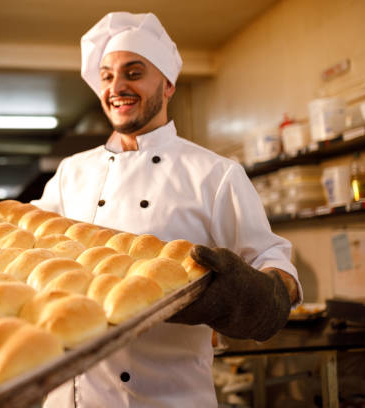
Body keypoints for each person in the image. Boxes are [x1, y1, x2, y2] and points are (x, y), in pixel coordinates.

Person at [30, 11, 302, 408]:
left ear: (169, 84)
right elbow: (25, 241)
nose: (116, 86)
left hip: (165, 398)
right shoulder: (72, 171)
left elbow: (272, 261)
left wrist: (261, 294)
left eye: (133, 72)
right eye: (106, 76)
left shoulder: (214, 174)